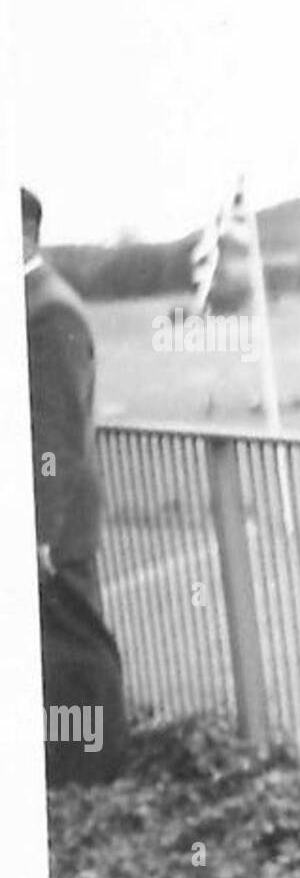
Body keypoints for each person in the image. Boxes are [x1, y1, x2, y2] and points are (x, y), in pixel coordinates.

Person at [24, 187, 126, 784]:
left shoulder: (48, 308)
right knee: (55, 652)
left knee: (77, 648)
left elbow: (56, 431)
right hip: (48, 517)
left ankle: (96, 773)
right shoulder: (30, 301)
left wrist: (41, 530)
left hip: (56, 522)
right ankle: (71, 765)